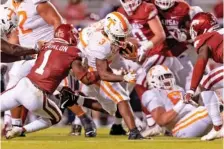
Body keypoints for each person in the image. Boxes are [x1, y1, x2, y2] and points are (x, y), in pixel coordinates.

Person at [0, 24, 100, 139]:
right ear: (71, 36)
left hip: (22, 85)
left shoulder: (45, 45)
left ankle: (17, 126)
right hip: (36, 94)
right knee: (55, 117)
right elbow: (85, 79)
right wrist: (100, 72)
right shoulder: (73, 51)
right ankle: (21, 129)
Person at [77, 11, 143, 139]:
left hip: (107, 56)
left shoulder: (112, 28)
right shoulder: (99, 44)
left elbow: (126, 42)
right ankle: (134, 132)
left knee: (123, 93)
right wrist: (122, 77)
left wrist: (130, 52)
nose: (123, 41)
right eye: (120, 37)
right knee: (119, 97)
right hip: (93, 66)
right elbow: (103, 74)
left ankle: (118, 126)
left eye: (124, 36)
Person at [141, 65, 221, 138]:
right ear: (152, 79)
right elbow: (162, 120)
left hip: (195, 121)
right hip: (179, 127)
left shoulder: (179, 89)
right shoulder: (151, 93)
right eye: (162, 77)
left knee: (215, 107)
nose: (167, 79)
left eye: (168, 76)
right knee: (211, 110)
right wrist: (182, 102)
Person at [184, 12, 223, 141]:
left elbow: (201, 62)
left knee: (205, 83)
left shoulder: (206, 37)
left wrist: (191, 88)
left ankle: (217, 127)